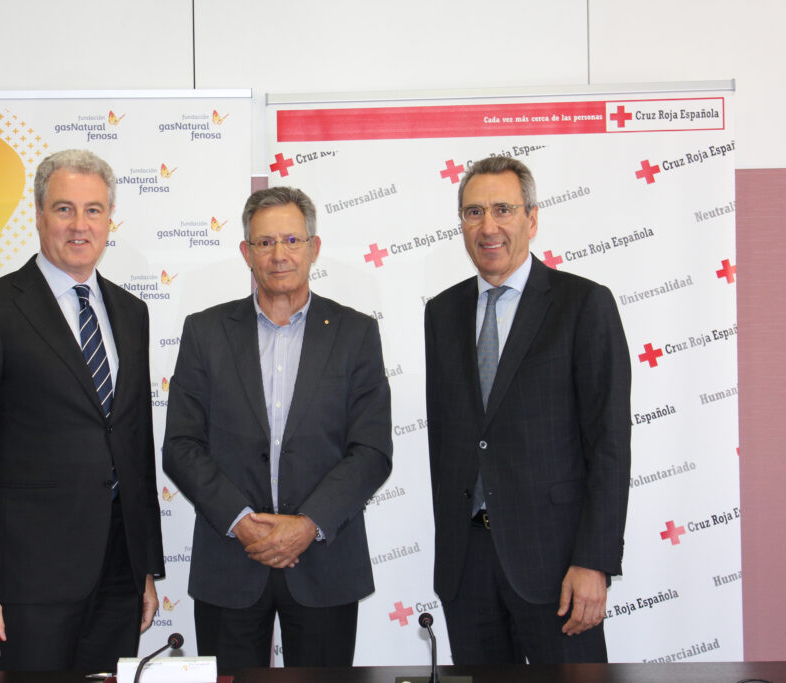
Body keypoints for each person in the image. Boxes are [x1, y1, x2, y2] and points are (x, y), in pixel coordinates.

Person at [0, 149, 164, 672]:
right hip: (26, 583)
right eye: (64, 209)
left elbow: (134, 445)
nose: (79, 225)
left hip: (118, 574)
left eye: (93, 210)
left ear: (110, 221)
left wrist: (145, 567)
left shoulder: (132, 313)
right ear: (38, 217)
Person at [162, 186, 392, 667]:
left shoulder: (356, 333)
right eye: (265, 243)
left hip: (325, 563)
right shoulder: (205, 333)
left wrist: (308, 526)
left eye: (291, 239)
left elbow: (371, 450)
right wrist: (241, 524)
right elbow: (182, 445)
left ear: (314, 247)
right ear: (246, 252)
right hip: (230, 561)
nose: (279, 254)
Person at [424, 157, 631, 664]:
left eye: (502, 209)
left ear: (532, 219)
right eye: (473, 212)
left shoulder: (583, 304)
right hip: (466, 567)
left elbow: (608, 445)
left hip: (557, 565)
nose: (487, 226)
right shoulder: (441, 312)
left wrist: (594, 562)